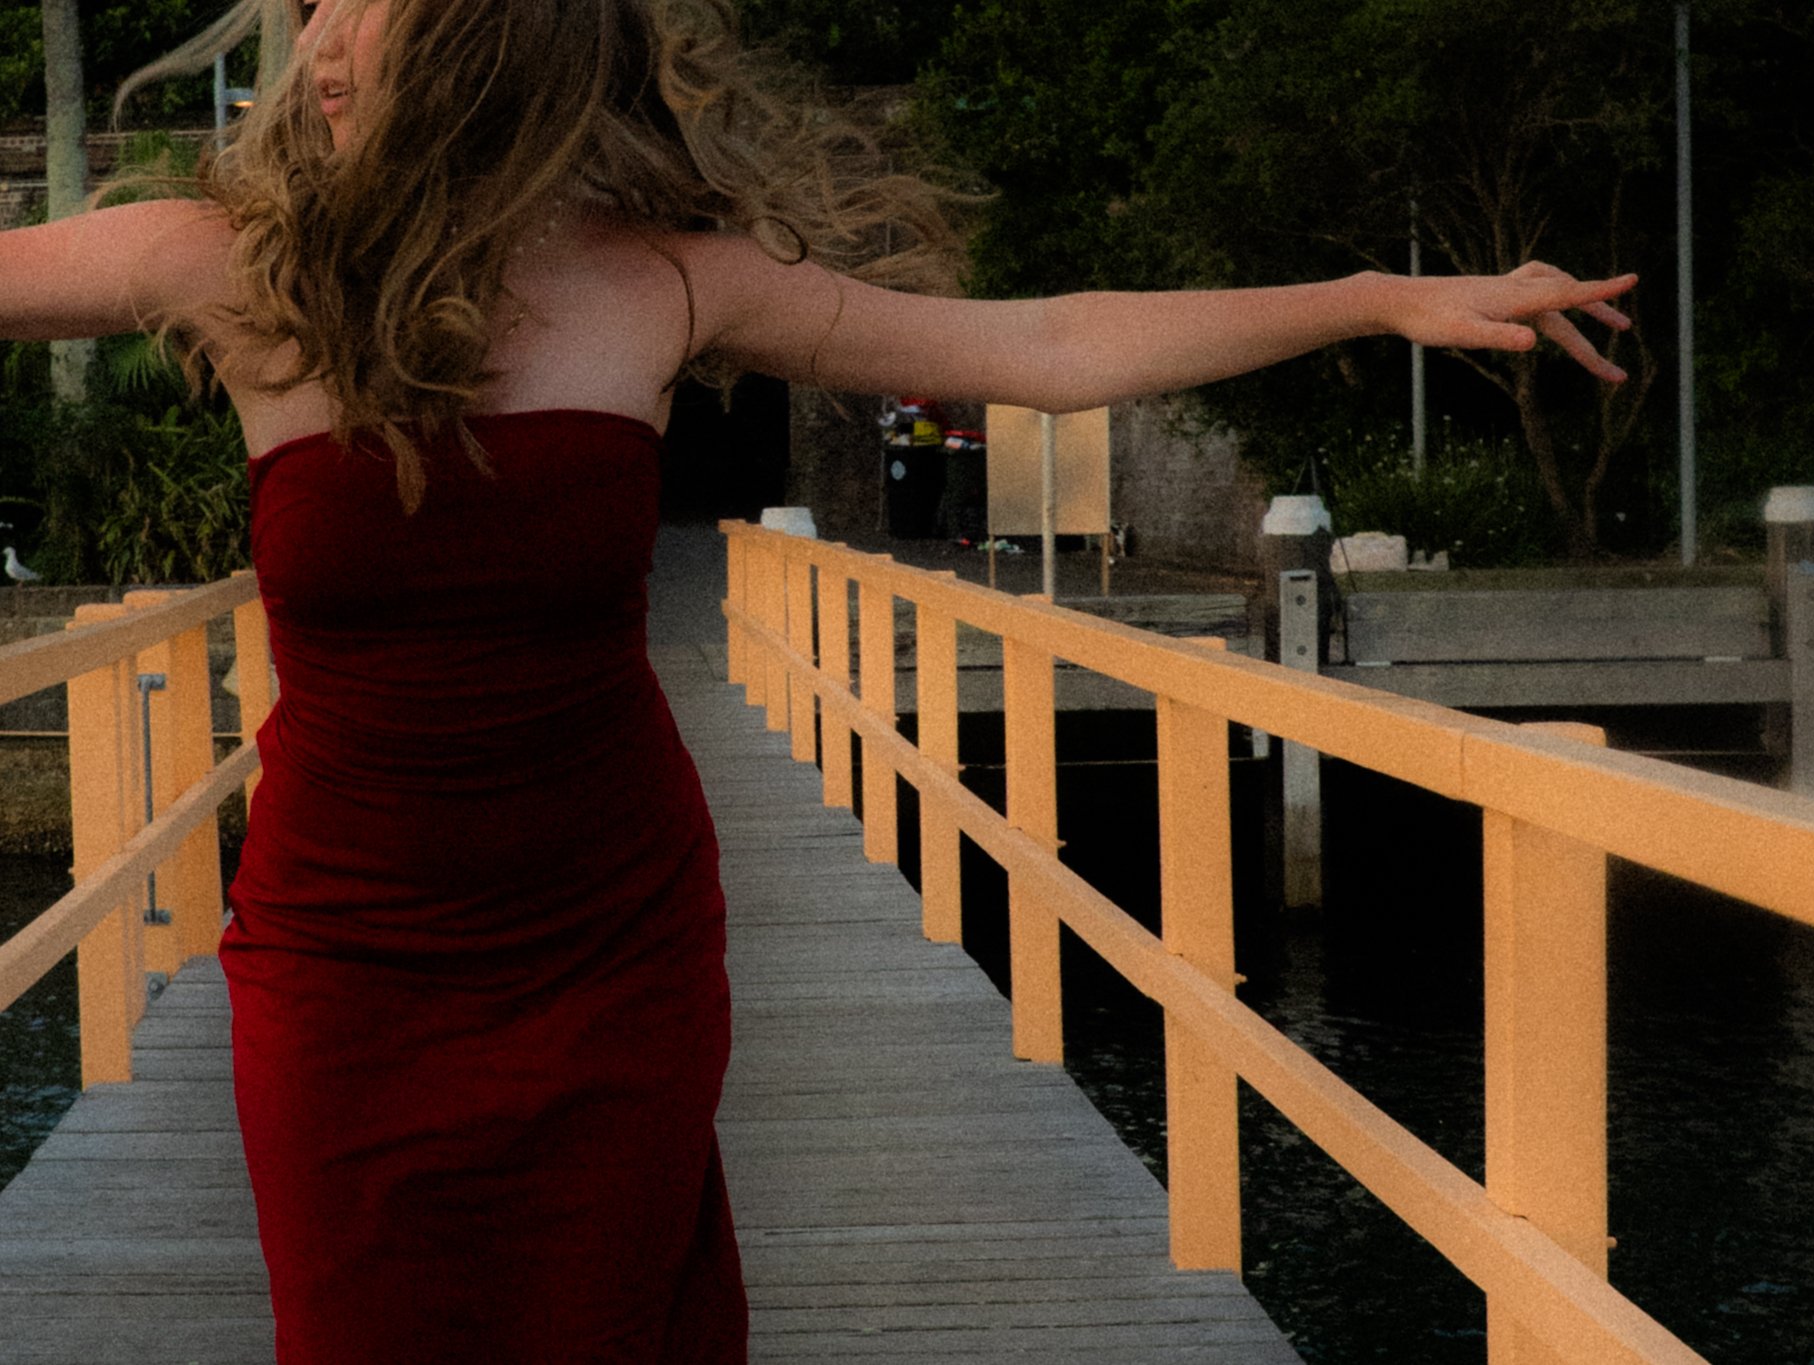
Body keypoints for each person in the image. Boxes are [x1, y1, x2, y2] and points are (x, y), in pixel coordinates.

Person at [0, 1, 1637, 1360]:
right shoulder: (221, 267)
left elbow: (1045, 347)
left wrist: (1374, 298)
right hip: (343, 966)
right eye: (319, 8)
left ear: (500, 45)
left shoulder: (657, 277)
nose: (329, 46)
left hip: (609, 954)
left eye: (379, 8)